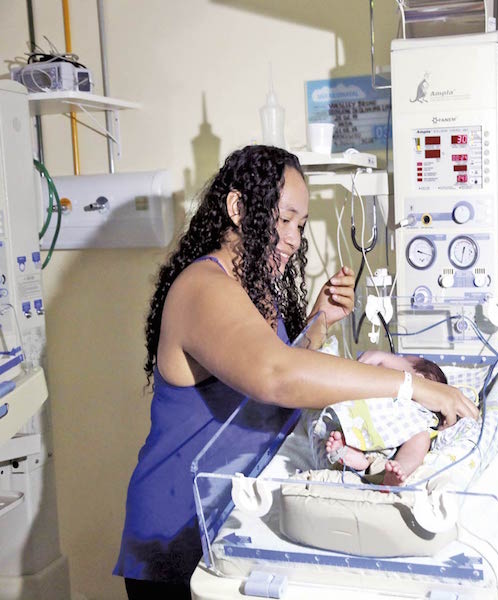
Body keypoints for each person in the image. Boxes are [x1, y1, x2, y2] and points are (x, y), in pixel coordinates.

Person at [113, 145, 478, 599]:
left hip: (236, 514)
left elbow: (268, 367)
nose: (293, 238)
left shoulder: (252, 287)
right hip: (178, 529)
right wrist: (412, 387)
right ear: (237, 208)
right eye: (284, 219)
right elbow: (276, 377)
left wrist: (318, 322)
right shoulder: (203, 288)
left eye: (301, 225)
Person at [319, 350, 450, 486]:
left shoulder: (420, 411)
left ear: (420, 378)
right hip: (367, 432)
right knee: (420, 438)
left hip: (390, 451)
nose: (399, 359)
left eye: (405, 360)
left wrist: (383, 357)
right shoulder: (389, 393)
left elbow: (392, 365)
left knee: (421, 439)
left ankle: (399, 469)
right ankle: (359, 460)